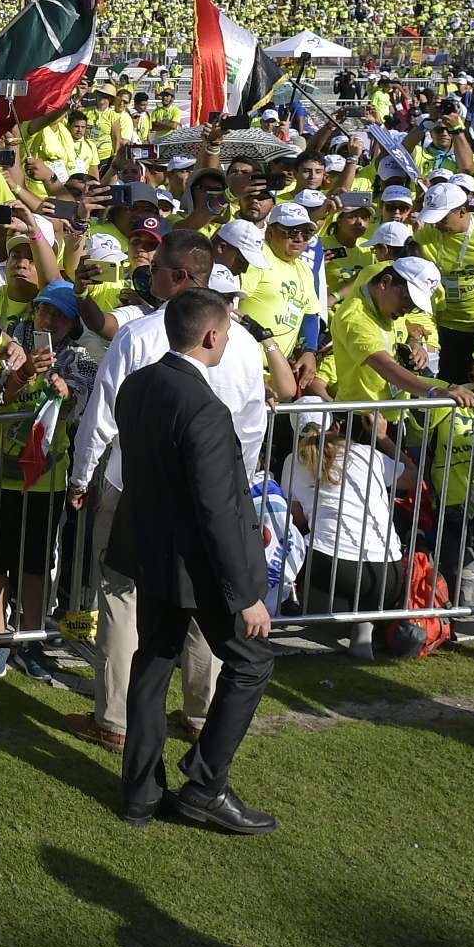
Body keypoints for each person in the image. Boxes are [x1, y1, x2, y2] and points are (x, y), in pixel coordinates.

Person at [67, 231, 266, 751]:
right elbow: (252, 427)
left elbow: (103, 414)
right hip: (210, 495)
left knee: (122, 597)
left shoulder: (141, 334)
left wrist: (80, 476)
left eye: (154, 268)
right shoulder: (242, 342)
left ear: (179, 276)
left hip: (138, 492)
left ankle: (115, 718)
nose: (145, 274)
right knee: (205, 599)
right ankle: (198, 714)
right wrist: (232, 488)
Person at [108, 289, 280, 835]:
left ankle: (140, 795)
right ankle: (205, 784)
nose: (228, 341)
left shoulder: (138, 385)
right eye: (227, 333)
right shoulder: (204, 407)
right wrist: (247, 594)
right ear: (210, 336)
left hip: (150, 553)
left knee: (153, 667)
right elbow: (217, 509)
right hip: (194, 564)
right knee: (252, 662)